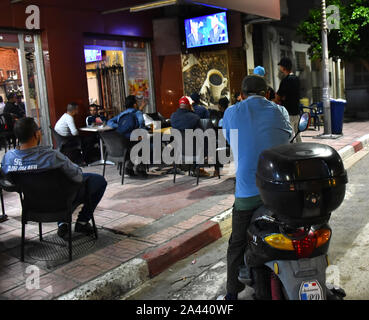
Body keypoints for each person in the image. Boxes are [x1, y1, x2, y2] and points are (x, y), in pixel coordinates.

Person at [219, 75, 292, 300]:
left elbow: (230, 140)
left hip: (248, 192)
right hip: (278, 191)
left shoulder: (231, 112)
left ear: (241, 95)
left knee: (237, 243)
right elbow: (288, 139)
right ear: (268, 93)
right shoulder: (281, 111)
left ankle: (232, 293)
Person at [1, 117, 107, 239]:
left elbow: (8, 183)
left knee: (59, 186)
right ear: (37, 134)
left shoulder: (8, 158)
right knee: (97, 181)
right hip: (61, 203)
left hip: (32, 205)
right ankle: (81, 222)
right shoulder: (52, 157)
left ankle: (63, 224)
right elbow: (77, 177)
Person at [107, 95, 147, 177]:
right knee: (145, 144)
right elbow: (141, 125)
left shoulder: (122, 114)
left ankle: (129, 167)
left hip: (121, 143)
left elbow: (109, 122)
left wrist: (119, 126)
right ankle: (140, 169)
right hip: (132, 142)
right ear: (135, 104)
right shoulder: (138, 113)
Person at [275, 57, 302, 142]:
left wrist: (281, 97)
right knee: (298, 135)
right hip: (297, 111)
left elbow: (278, 97)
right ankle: (300, 151)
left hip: (288, 112)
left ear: (283, 68)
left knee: (290, 136)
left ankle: (292, 153)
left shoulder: (285, 80)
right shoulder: (296, 79)